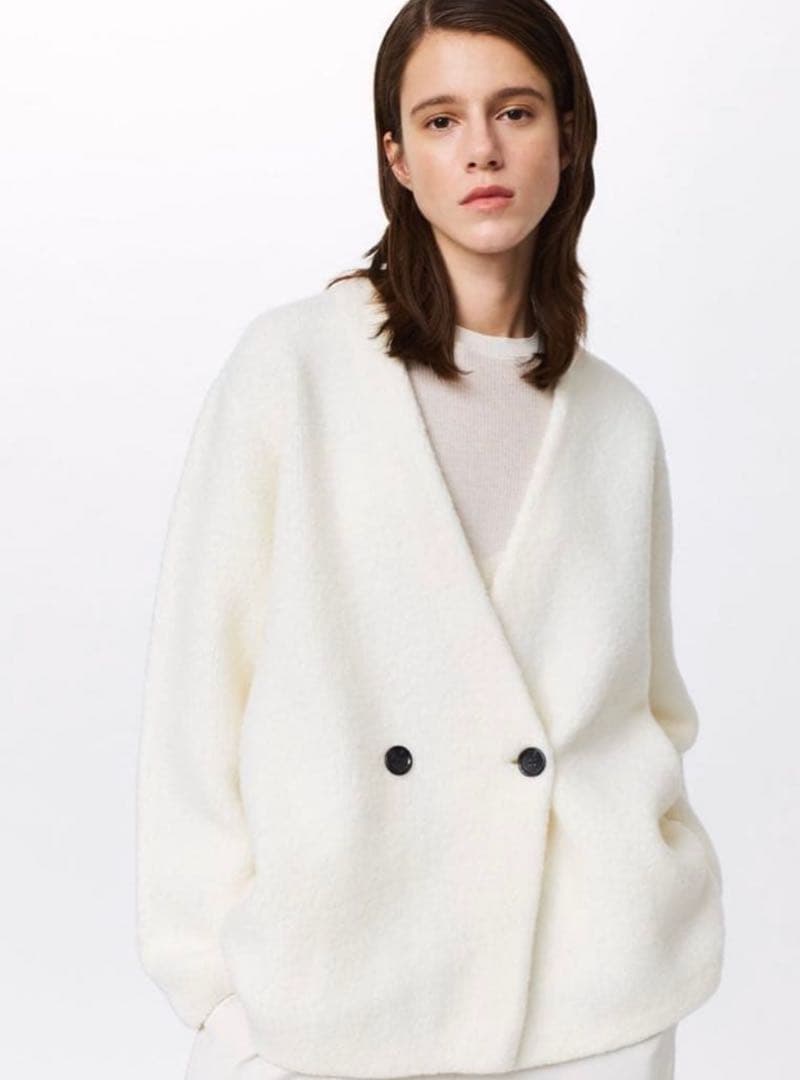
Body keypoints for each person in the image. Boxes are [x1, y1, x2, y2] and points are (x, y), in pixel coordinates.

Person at [135, 2, 726, 1079]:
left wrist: (645, 902)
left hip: (588, 1001)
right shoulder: (295, 371)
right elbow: (198, 688)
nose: (482, 149)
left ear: (567, 137)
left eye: (515, 111)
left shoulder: (616, 422)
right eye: (441, 120)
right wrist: (218, 992)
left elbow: (650, 706)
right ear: (397, 159)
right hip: (337, 993)